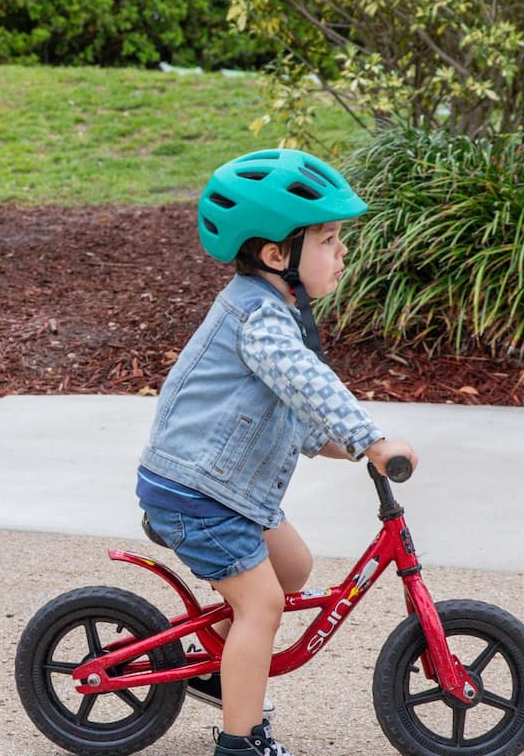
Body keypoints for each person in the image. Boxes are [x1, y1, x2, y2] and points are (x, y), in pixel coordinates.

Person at [137, 149, 418, 756]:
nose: (342, 251)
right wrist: (370, 438)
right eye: (328, 239)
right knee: (261, 603)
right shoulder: (260, 318)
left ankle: (218, 668)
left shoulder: (273, 310)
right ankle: (239, 743)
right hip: (197, 492)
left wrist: (348, 448)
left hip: (222, 490)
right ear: (274, 255)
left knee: (291, 567)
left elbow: (283, 405)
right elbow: (308, 382)